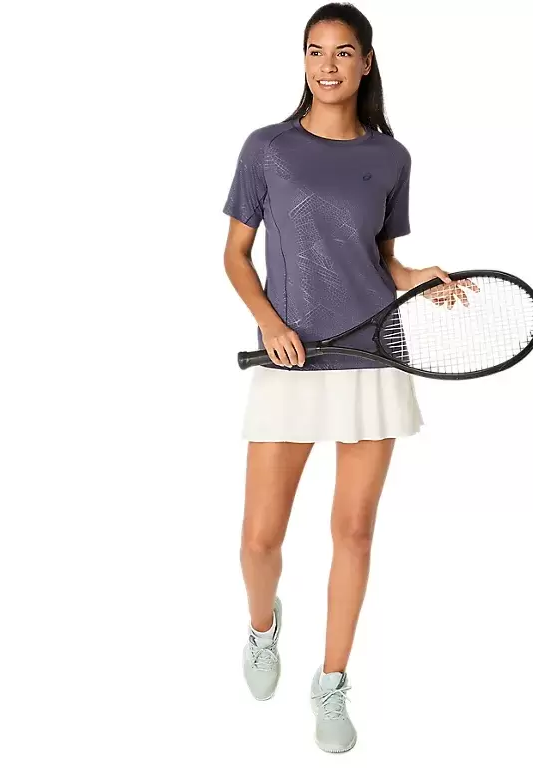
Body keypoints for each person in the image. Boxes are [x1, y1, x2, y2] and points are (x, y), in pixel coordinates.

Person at [221, 2, 455, 754]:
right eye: (315, 51)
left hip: (371, 358)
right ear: (303, 61)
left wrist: (417, 277)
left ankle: (331, 682)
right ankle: (263, 627)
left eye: (343, 52)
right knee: (259, 541)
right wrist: (270, 323)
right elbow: (235, 256)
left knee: (353, 532)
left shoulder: (391, 157)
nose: (328, 65)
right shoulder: (267, 149)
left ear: (366, 62)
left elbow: (380, 260)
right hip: (290, 362)